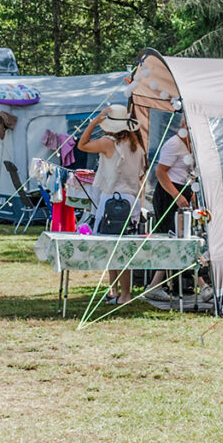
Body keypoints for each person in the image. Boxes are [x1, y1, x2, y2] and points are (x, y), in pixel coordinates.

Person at [77, 105, 150, 299]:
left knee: (112, 247)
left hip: (112, 200)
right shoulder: (136, 147)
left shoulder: (108, 143)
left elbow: (82, 145)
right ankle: (117, 291)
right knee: (122, 247)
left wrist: (93, 122)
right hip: (131, 201)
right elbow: (140, 177)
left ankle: (121, 293)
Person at [153, 121, 196, 224]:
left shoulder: (190, 144)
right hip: (170, 192)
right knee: (171, 227)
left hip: (184, 189)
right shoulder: (174, 144)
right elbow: (160, 172)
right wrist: (176, 195)